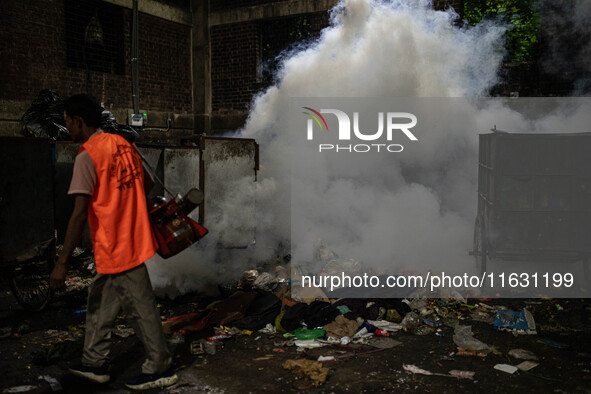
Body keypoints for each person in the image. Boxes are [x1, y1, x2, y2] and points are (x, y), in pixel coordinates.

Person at [49, 93, 178, 390]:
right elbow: (146, 184)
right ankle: (94, 361)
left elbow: (79, 215)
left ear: (79, 122)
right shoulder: (122, 144)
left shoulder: (87, 156)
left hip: (117, 245)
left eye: (68, 122)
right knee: (100, 299)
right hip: (129, 239)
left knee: (140, 307)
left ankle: (160, 367)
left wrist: (62, 263)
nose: (67, 128)